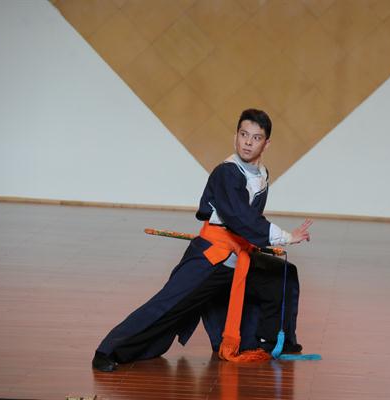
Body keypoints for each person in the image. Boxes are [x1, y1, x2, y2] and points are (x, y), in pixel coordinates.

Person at [92, 109, 312, 372]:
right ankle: (108, 350)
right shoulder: (227, 172)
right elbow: (240, 218)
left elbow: (251, 218)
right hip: (211, 256)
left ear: (266, 144)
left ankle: (275, 342)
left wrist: (258, 240)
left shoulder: (262, 173)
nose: (248, 142)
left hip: (238, 255)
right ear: (235, 137)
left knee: (283, 275)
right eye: (243, 134)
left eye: (256, 138)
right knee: (168, 305)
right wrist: (285, 237)